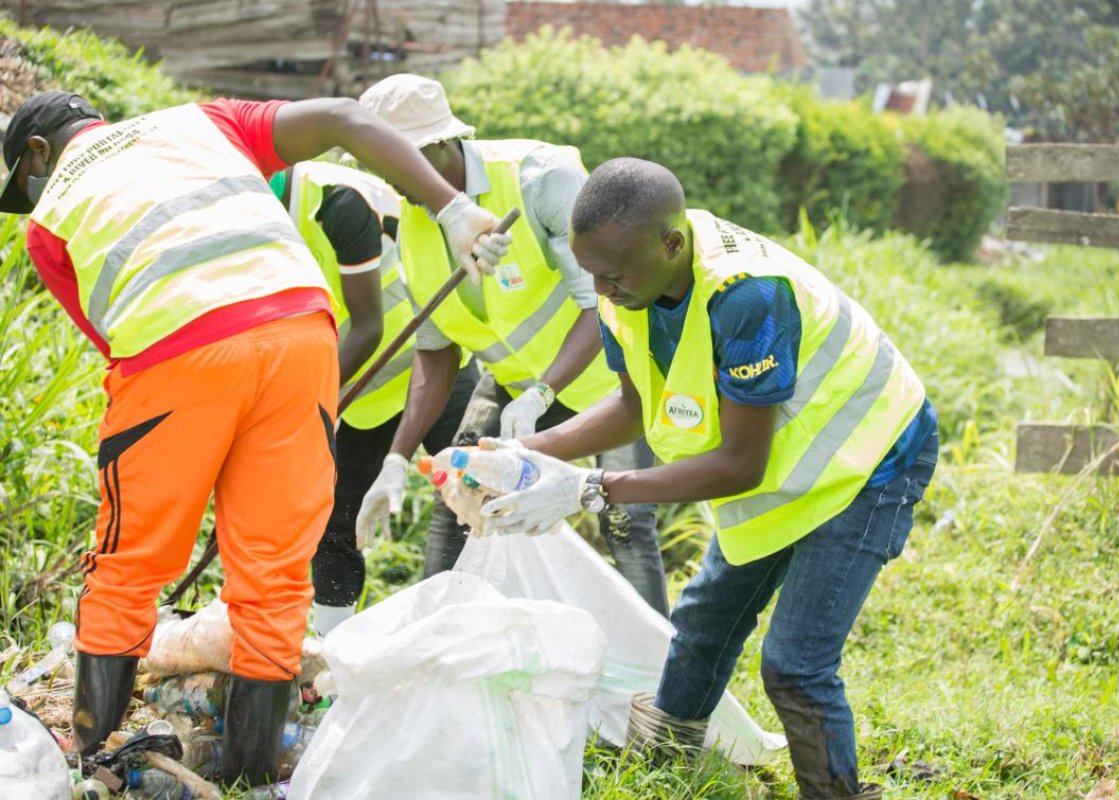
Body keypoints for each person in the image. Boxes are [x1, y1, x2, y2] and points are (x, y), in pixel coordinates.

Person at [0, 90, 506, 786]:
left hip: (174, 350)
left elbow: (117, 344)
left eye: (25, 183)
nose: (33, 195)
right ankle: (252, 773)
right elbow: (345, 119)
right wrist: (453, 208)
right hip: (301, 334)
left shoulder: (49, 217)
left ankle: (91, 759)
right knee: (272, 569)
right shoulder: (200, 121)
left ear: (36, 153)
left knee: (130, 562)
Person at [450, 158, 940, 799]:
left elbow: (740, 465)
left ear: (671, 244)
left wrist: (589, 488)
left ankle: (835, 794)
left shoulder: (747, 295)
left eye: (613, 275)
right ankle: (664, 759)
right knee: (704, 620)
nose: (599, 289)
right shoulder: (626, 283)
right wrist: (529, 453)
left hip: (872, 458)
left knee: (794, 665)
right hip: (787, 461)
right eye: (590, 272)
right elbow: (633, 405)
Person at [353, 75, 669, 615]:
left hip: (616, 378)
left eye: (390, 163)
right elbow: (436, 350)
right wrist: (397, 458)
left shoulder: (540, 180)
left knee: (624, 519)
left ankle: (663, 676)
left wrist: (543, 394)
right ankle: (438, 644)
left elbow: (604, 303)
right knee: (461, 493)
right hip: (516, 383)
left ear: (435, 147)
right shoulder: (411, 223)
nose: (387, 180)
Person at [268, 161, 479, 635]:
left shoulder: (332, 199)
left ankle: (458, 637)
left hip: (433, 367)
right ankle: (333, 655)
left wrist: (311, 404)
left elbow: (369, 323)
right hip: (360, 399)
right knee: (335, 523)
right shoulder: (261, 224)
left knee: (474, 502)